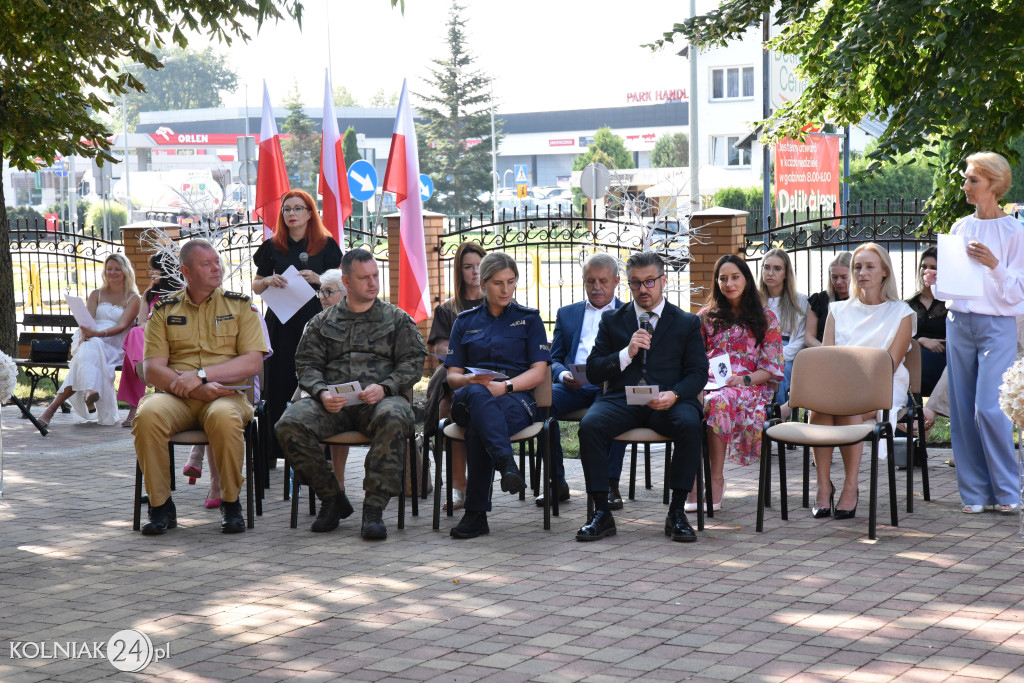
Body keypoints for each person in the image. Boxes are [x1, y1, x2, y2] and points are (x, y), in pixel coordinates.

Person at [275, 249, 426, 539]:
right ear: (346, 280)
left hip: (379, 400)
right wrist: (320, 393)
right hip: (333, 403)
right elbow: (306, 364)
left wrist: (386, 386)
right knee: (289, 424)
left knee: (394, 416)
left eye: (375, 276)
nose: (372, 283)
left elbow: (413, 362)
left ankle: (373, 509)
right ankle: (332, 499)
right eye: (364, 277)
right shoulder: (322, 322)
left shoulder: (396, 319)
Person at [134, 239, 268, 535]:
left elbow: (251, 364)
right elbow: (153, 369)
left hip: (226, 395)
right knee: (147, 415)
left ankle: (231, 502)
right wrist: (196, 389)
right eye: (206, 264)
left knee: (223, 417)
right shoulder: (164, 310)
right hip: (176, 397)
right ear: (186, 271)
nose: (216, 268)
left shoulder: (241, 306)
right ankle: (160, 506)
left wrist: (203, 375)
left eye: (217, 262)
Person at [575, 251, 709, 543]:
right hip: (622, 400)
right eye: (636, 284)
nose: (643, 290)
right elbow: (595, 371)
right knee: (590, 426)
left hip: (667, 401)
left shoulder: (686, 323)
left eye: (649, 282)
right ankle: (601, 512)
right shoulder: (613, 320)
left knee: (690, 424)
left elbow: (698, 372)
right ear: (628, 284)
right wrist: (626, 353)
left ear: (663, 280)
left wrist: (674, 394)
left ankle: (676, 512)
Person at [930, 152, 1024, 514]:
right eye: (966, 179)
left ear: (994, 185)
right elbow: (954, 289)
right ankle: (974, 493)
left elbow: (1017, 292)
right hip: (958, 323)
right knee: (962, 409)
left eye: (973, 180)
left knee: (989, 407)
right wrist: (936, 284)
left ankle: (1007, 490)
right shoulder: (959, 228)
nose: (965, 186)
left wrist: (993, 265)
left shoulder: (1015, 231)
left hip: (997, 325)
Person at [445, 252, 551, 539]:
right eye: (497, 283)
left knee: (481, 427)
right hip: (468, 399)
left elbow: (539, 371)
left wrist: (505, 387)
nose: (506, 290)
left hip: (514, 399)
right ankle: (506, 463)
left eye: (511, 282)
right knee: (479, 396)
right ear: (482, 284)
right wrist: (469, 379)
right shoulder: (464, 322)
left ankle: (476, 514)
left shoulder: (529, 320)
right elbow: (451, 376)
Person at [811, 242, 914, 520]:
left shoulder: (901, 312)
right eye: (858, 267)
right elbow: (827, 358)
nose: (862, 272)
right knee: (818, 409)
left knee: (849, 409)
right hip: (840, 386)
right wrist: (835, 389)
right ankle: (823, 485)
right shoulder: (837, 310)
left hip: (882, 386)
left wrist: (851, 391)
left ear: (884, 272)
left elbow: (889, 365)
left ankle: (851, 485)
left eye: (870, 266)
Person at [252, 189, 342, 470]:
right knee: (277, 382)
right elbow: (255, 285)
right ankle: (271, 450)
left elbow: (340, 283)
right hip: (280, 321)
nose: (291, 214)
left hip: (315, 320)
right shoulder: (272, 246)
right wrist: (269, 280)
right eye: (286, 209)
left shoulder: (326, 245)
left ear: (310, 212)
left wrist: (318, 278)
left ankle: (319, 451)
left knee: (312, 379)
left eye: (298, 208)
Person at [695, 255, 784, 511]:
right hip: (710, 385)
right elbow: (693, 360)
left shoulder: (767, 318)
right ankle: (690, 481)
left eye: (735, 277)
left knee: (719, 401)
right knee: (692, 401)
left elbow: (771, 368)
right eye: (722, 278)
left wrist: (742, 379)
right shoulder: (705, 318)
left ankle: (715, 478)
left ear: (746, 280)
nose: (728, 283)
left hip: (749, 387)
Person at [545, 253, 627, 508]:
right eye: (590, 281)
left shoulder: (628, 315)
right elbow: (554, 358)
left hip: (610, 385)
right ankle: (557, 482)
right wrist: (561, 374)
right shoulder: (567, 314)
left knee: (614, 410)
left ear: (616, 281)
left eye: (603, 281)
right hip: (573, 384)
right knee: (540, 404)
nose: (596, 287)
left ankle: (610, 485)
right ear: (583, 281)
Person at [39, 254, 141, 428]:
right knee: (90, 348)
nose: (113, 272)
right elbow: (87, 318)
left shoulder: (133, 298)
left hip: (114, 342)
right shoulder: (96, 294)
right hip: (92, 338)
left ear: (125, 271)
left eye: (117, 269)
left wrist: (97, 333)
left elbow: (122, 325)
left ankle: (51, 410)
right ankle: (89, 391)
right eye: (109, 269)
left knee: (88, 352)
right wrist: (86, 331)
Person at [423, 241, 486, 510]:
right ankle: (460, 488)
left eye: (479, 266)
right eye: (468, 267)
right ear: (459, 271)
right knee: (447, 410)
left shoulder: (502, 303)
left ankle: (475, 483)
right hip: (455, 375)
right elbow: (439, 348)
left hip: (492, 377)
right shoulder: (448, 309)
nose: (475, 272)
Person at [118, 252, 177, 428]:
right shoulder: (149, 293)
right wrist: (149, 327)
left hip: (171, 338)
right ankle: (142, 369)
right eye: (150, 269)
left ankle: (134, 406)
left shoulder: (182, 291)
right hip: (149, 338)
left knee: (134, 347)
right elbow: (142, 321)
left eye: (155, 270)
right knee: (136, 332)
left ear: (167, 270)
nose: (151, 273)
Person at [758, 247, 806, 414]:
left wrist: (777, 357)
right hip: (758, 351)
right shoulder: (753, 301)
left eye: (777, 269)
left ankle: (777, 419)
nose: (770, 273)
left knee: (780, 373)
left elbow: (801, 339)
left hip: (786, 351)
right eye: (767, 267)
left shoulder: (800, 301)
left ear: (786, 273)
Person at [907, 246, 947, 397]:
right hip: (914, 361)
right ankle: (909, 417)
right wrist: (922, 340)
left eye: (933, 268)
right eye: (924, 267)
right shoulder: (909, 304)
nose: (927, 271)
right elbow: (899, 336)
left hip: (942, 365)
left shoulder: (952, 303)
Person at [804, 251, 851, 348]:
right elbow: (808, 337)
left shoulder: (862, 300)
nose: (838, 282)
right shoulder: (819, 299)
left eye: (844, 277)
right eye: (834, 277)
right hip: (821, 352)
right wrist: (828, 352)